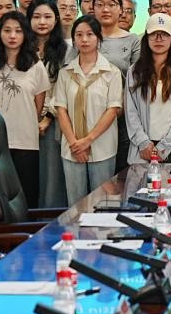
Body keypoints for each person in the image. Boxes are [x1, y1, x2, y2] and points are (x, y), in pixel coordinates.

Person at [0, 11, 51, 207]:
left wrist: (28, 122)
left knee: (27, 195)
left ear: (25, 34)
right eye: (7, 30)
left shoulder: (36, 65)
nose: (12, 36)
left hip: (26, 140)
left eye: (18, 31)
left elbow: (39, 102)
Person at [53, 15, 124, 203]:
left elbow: (112, 110)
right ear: (74, 39)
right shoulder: (65, 73)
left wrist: (88, 140)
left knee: (103, 203)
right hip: (72, 148)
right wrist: (75, 143)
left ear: (99, 38)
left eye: (90, 34)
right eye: (79, 35)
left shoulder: (112, 72)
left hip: (102, 147)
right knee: (75, 203)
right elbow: (61, 110)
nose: (84, 39)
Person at [125, 13, 171, 164]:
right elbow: (130, 111)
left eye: (164, 34)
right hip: (142, 151)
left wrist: (164, 147)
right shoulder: (135, 71)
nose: (159, 39)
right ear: (146, 38)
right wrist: (143, 143)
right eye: (154, 34)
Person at [27, 0, 69, 208]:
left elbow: (63, 87)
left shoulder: (66, 50)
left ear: (56, 19)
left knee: (51, 178)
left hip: (52, 122)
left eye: (47, 17)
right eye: (36, 17)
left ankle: (48, 221)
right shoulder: (21, 49)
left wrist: (47, 118)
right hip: (24, 121)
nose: (42, 22)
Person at [94, 0, 141, 72]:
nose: (106, 9)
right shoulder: (85, 36)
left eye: (111, 5)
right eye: (100, 5)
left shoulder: (134, 40)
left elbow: (137, 75)